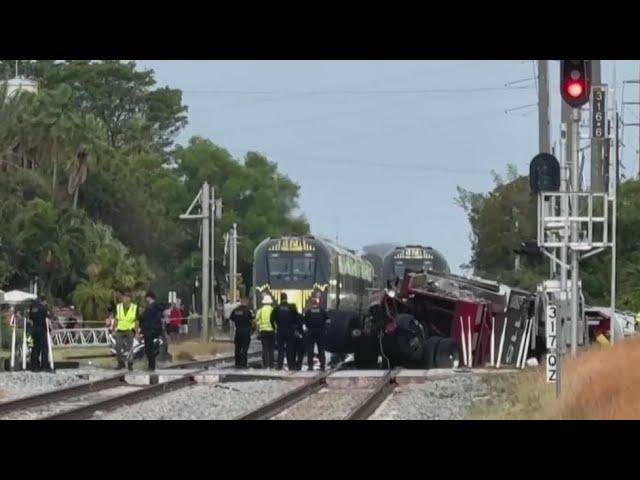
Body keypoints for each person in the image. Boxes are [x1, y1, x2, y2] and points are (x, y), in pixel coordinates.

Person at [270, 292, 301, 371]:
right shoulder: (291, 307)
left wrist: (274, 327)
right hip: (290, 330)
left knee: (281, 349)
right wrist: (297, 328)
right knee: (290, 349)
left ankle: (279, 366)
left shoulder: (277, 308)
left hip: (280, 330)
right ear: (286, 298)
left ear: (280, 299)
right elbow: (297, 319)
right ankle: (291, 366)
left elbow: (271, 319)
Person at [139, 291, 166, 372]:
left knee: (149, 348)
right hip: (154, 329)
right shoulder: (157, 307)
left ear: (149, 297)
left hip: (149, 329)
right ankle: (151, 365)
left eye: (146, 297)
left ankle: (151, 366)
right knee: (150, 348)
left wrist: (141, 315)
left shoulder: (151, 307)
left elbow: (144, 317)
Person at [114, 292, 139, 371]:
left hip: (129, 329)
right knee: (118, 347)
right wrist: (113, 328)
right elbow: (116, 318)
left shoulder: (134, 307)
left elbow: (137, 320)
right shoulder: (118, 307)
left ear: (130, 299)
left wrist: (136, 330)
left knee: (129, 348)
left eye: (127, 297)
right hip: (120, 329)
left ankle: (130, 364)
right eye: (124, 297)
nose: (125, 299)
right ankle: (120, 363)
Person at [303, 295, 329, 371]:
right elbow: (328, 320)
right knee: (321, 349)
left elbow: (305, 322)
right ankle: (322, 365)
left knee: (310, 349)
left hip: (311, 332)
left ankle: (310, 366)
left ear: (311, 304)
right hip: (321, 332)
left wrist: (307, 328)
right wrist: (325, 328)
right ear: (317, 303)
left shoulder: (308, 312)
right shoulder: (322, 311)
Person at [230, 298, 254, 368]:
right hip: (246, 331)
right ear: (246, 302)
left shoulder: (235, 310)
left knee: (237, 348)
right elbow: (252, 319)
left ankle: (237, 363)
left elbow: (232, 319)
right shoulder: (248, 311)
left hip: (238, 331)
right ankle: (243, 363)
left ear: (240, 302)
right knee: (244, 348)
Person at [28, 296, 51, 372]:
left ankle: (34, 366)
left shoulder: (32, 308)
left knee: (34, 348)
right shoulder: (43, 308)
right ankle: (44, 366)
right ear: (43, 301)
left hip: (34, 329)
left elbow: (30, 318)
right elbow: (47, 318)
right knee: (44, 348)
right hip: (42, 329)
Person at [256, 294, 275, 369]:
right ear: (270, 302)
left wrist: (258, 329)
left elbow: (257, 321)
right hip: (271, 331)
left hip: (263, 331)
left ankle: (265, 364)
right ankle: (271, 365)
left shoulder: (260, 310)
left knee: (265, 348)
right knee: (271, 349)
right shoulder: (272, 310)